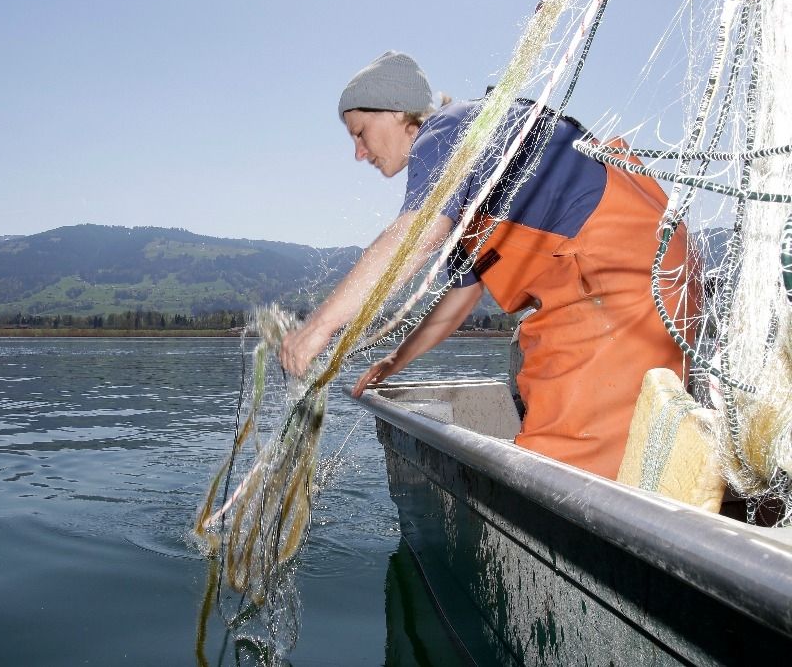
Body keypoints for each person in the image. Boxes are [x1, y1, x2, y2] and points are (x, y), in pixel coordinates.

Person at [279, 51, 696, 480]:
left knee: (565, 472)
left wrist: (318, 329)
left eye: (360, 132)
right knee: (587, 436)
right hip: (645, 270)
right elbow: (462, 297)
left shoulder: (445, 130)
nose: (358, 152)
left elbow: (415, 234)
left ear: (397, 111)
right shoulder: (470, 176)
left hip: (620, 279)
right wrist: (396, 360)